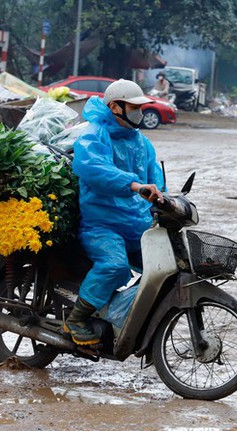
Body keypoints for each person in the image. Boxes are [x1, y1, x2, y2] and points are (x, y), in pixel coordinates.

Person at [66, 79, 165, 346]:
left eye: (141, 108)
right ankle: (76, 319)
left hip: (136, 223)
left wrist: (162, 197)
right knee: (114, 266)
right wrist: (132, 184)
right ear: (115, 107)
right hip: (102, 225)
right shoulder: (94, 135)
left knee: (164, 266)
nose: (139, 113)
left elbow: (154, 176)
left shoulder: (141, 142)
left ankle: (126, 314)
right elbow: (93, 169)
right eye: (134, 107)